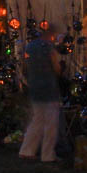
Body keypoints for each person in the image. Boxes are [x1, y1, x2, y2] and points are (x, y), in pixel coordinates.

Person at [18, 21, 63, 163]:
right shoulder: (49, 48)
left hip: (35, 87)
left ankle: (26, 150)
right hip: (48, 88)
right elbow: (56, 68)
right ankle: (48, 155)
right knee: (51, 123)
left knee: (37, 120)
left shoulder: (30, 47)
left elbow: (24, 65)